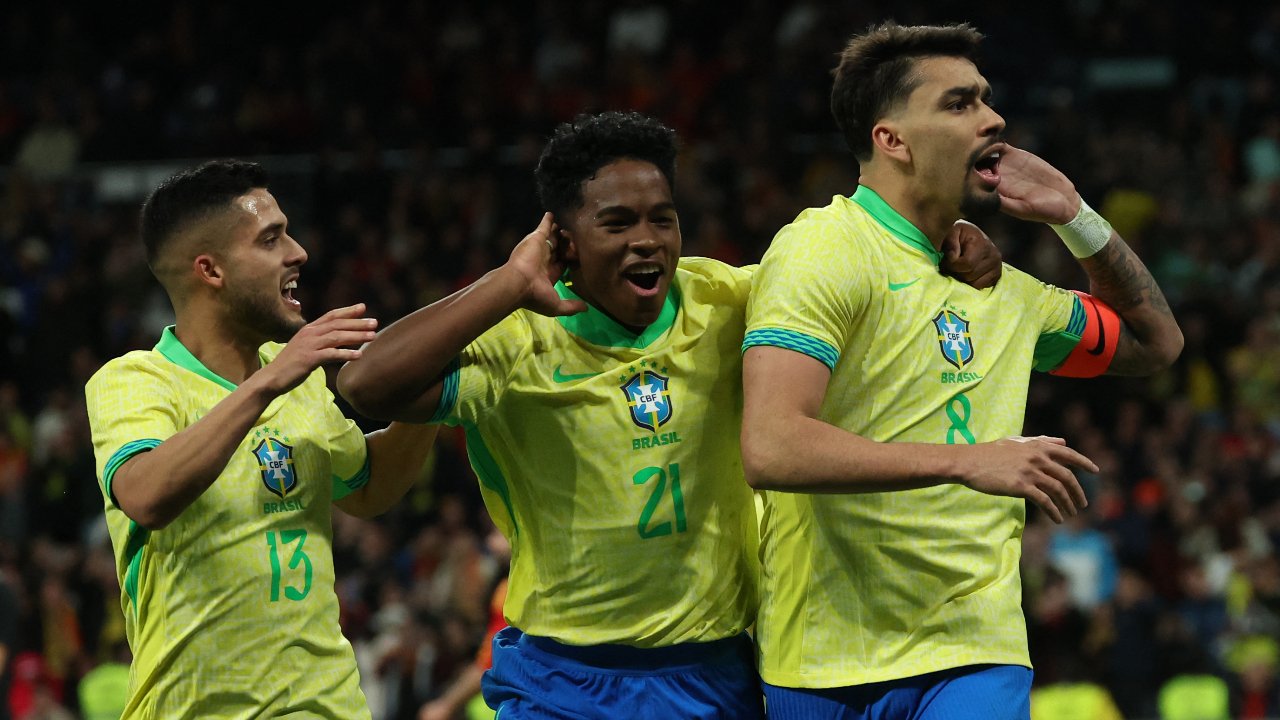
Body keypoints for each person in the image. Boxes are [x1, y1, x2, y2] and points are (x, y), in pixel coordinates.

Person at [337, 111, 1004, 719]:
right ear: (562, 241)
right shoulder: (519, 339)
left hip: (714, 674)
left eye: (663, 218)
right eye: (618, 223)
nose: (648, 240)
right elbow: (365, 386)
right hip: (563, 682)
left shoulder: (725, 299)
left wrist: (942, 239)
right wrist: (511, 281)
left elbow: (849, 282)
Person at [739, 21, 1183, 720]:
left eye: (985, 100)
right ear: (892, 139)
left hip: (976, 651)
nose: (993, 117)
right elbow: (771, 445)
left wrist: (1077, 218)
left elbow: (1156, 344)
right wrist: (965, 461)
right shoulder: (823, 252)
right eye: (959, 103)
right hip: (824, 654)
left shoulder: (1004, 289)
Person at [84, 160, 438, 719]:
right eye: (271, 238)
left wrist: (431, 401)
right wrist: (270, 382)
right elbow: (146, 493)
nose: (298, 252)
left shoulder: (295, 375)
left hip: (330, 707)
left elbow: (367, 487)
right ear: (211, 270)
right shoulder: (135, 380)